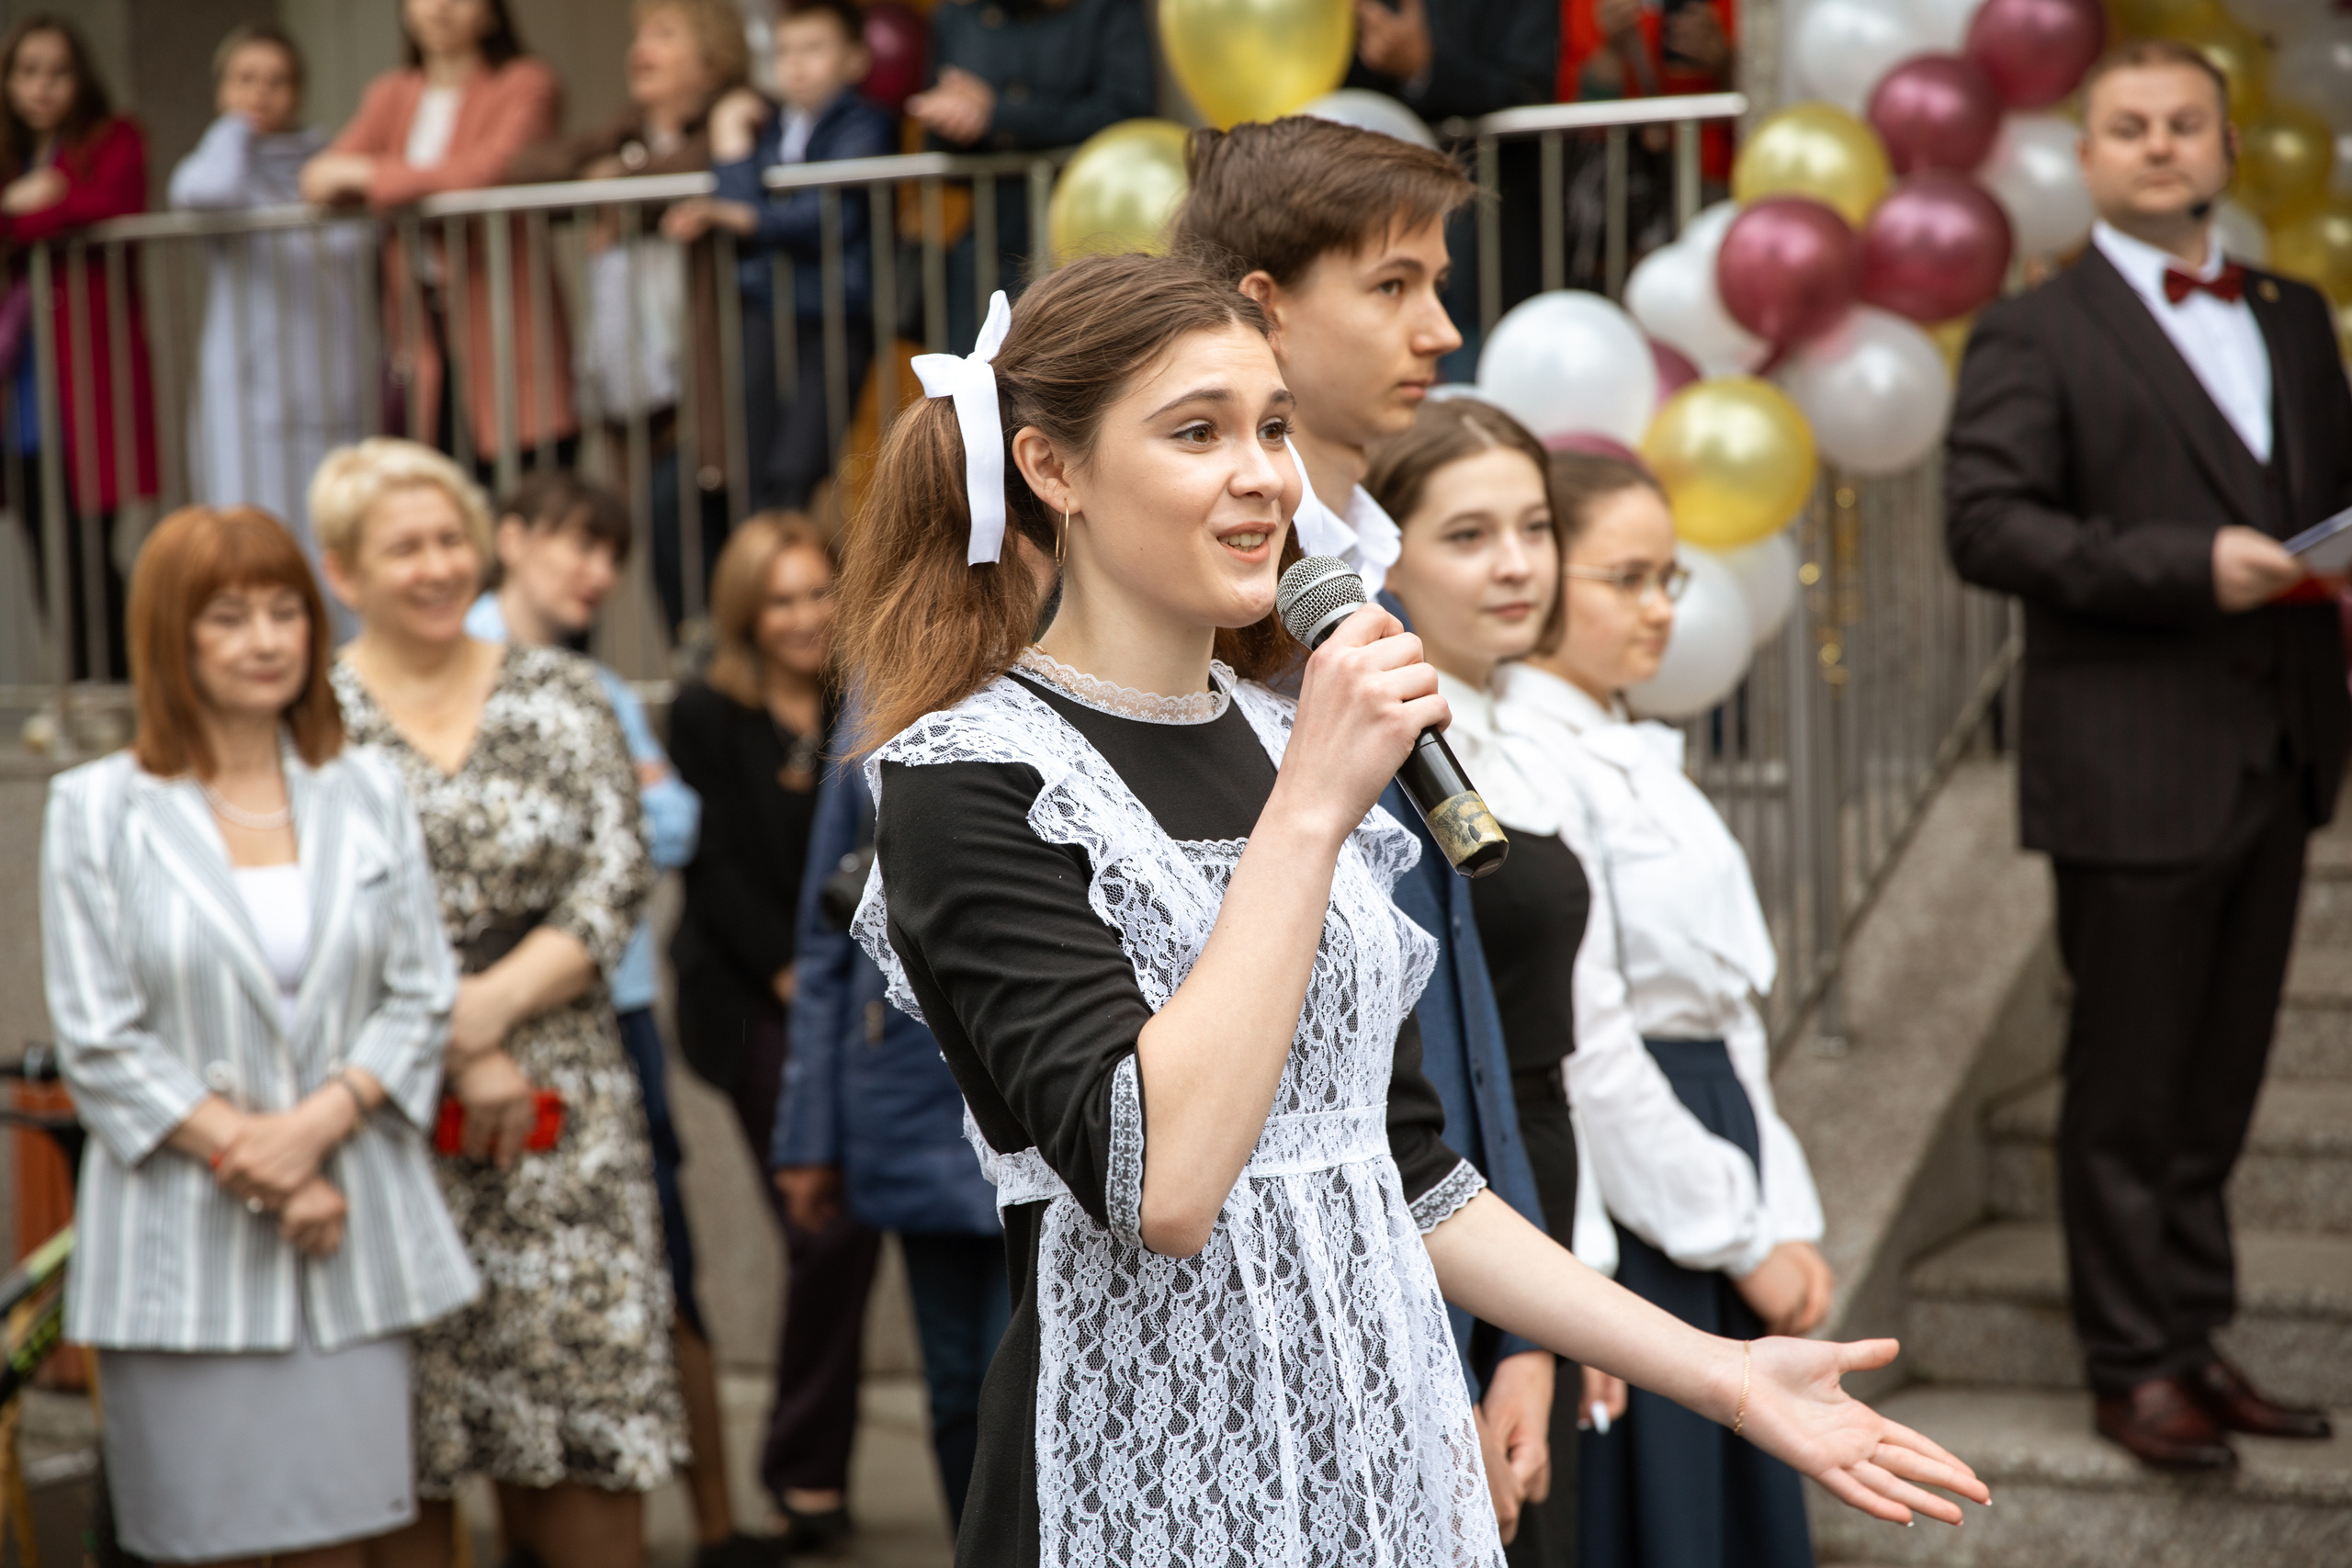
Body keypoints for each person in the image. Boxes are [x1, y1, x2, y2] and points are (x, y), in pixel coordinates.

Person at [836, 250, 1987, 1566]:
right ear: (1053, 468)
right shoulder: (973, 774)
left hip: (1381, 1446)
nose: (1264, 472)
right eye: (1197, 430)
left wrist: (1723, 1372)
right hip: (1146, 1467)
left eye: (1272, 425)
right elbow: (1160, 1180)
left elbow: (1412, 1172)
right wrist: (1315, 805)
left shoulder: (1287, 735)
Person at [1945, 39, 2352, 1471]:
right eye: (2131, 126)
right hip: (2130, 762)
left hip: (2286, 747)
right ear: (2090, 158)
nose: (2164, 145)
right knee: (2125, 1087)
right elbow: (1986, 525)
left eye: (2188, 123)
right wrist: (2196, 565)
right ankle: (2132, 1364)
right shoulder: (2033, 332)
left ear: (2230, 150)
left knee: (2221, 1078)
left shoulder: (2298, 316)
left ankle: (2195, 1333)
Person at [1173, 114, 1566, 1546]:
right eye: (1394, 284)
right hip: (1299, 1293)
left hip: (1455, 1245)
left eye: (1439, 282)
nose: (1443, 326)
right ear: (1266, 309)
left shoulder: (1365, 577)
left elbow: (1458, 987)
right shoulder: (1206, 619)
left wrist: (1513, 1325)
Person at [40, 502, 478, 1565]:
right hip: (181, 1243)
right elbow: (97, 1039)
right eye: (228, 616)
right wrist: (267, 1165)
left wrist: (312, 1129)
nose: (268, 639)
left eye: (286, 610)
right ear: (169, 635)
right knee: (206, 1540)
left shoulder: (366, 788)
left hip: (352, 1229)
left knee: (345, 1539)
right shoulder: (97, 807)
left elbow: (421, 994)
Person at [312, 438, 684, 1568]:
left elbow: (615, 875)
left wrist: (482, 1011)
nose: (435, 566)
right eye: (403, 546)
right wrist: (436, 1026)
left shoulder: (566, 695)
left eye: (450, 541)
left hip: (560, 1114)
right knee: (400, 1459)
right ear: (341, 571)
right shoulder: (309, 719)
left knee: (580, 1442)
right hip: (380, 1120)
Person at [1497, 451, 1830, 1568]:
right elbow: (1591, 1050)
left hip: (1714, 1143)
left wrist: (1782, 1209)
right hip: (1639, 1190)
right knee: (1662, 1521)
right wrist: (1738, 1234)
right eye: (1625, 578)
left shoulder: (1640, 753)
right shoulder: (1530, 761)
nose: (1657, 609)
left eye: (1668, 579)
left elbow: (1734, 1016)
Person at [459, 474, 775, 1568]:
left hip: (614, 1008)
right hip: (483, 1024)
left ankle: (716, 1526)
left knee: (658, 1273)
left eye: (610, 552)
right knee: (492, 1289)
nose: (594, 571)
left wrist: (630, 808)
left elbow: (671, 827)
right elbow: (649, 821)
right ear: (510, 539)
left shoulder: (590, 680)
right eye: (573, 545)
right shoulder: (459, 664)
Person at [1372, 399, 1635, 1568]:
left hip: (1533, 1164)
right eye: (1469, 535)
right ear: (1381, 553)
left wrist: (1576, 1288)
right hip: (1433, 1173)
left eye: (1534, 526)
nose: (1519, 563)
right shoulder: (1383, 739)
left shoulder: (1534, 733)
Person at [666, 513, 868, 1547]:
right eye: (780, 599)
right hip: (750, 999)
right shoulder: (705, 712)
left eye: (817, 593)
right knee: (820, 1221)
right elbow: (714, 871)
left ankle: (810, 1466)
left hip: (853, 993)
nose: (802, 617)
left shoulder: (861, 697)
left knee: (852, 1226)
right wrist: (792, 972)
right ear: (748, 612)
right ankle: (802, 1468)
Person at [773, 736, 1007, 1528]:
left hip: (1049, 1084)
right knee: (956, 1383)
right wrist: (808, 1135)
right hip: (912, 1085)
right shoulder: (881, 698)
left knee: (1034, 1379)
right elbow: (825, 934)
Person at [509, 0, 752, 637]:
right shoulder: (629, 129)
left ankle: (714, 655)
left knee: (697, 513)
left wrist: (618, 183)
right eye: (639, 35)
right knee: (659, 520)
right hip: (640, 375)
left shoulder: (735, 117)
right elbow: (527, 169)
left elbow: (708, 172)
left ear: (713, 59)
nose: (641, 47)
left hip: (710, 369)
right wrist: (619, 176)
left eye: (666, 34)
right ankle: (689, 654)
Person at [302, 0, 573, 471]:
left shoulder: (526, 82)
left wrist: (372, 178)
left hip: (503, 311)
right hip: (422, 320)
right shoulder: (392, 93)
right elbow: (320, 179)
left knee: (523, 476)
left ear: (491, 13)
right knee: (440, 476)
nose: (442, 7)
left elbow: (486, 171)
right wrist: (418, 182)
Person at [171, 22, 369, 641]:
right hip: (251, 399)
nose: (261, 93)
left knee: (336, 545)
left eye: (277, 81)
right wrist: (235, 129)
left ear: (300, 90)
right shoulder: (221, 164)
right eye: (245, 80)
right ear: (220, 89)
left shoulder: (332, 158)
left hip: (335, 390)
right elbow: (203, 193)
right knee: (255, 549)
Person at [663, 0, 897, 515]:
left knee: (799, 466)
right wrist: (729, 139)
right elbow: (742, 199)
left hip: (834, 314)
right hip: (767, 308)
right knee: (751, 464)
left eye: (813, 48)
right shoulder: (766, 126)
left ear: (855, 60)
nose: (794, 63)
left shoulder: (866, 125)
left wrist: (741, 216)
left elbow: (824, 219)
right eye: (785, 50)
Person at [0, 12, 158, 681]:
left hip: (91, 378)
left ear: (81, 77)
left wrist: (18, 213)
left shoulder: (113, 138)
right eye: (28, 72)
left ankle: (119, 686)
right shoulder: (10, 154)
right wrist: (20, 206)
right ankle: (75, 689)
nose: (43, 87)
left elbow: (109, 202)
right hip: (21, 385)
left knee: (92, 546)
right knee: (42, 544)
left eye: (58, 72)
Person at [909, 0, 1152, 350]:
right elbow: (944, 157)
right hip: (990, 248)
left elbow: (1128, 114)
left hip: (1086, 240)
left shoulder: (1105, 9)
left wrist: (1000, 115)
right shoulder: (959, 14)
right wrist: (954, 121)